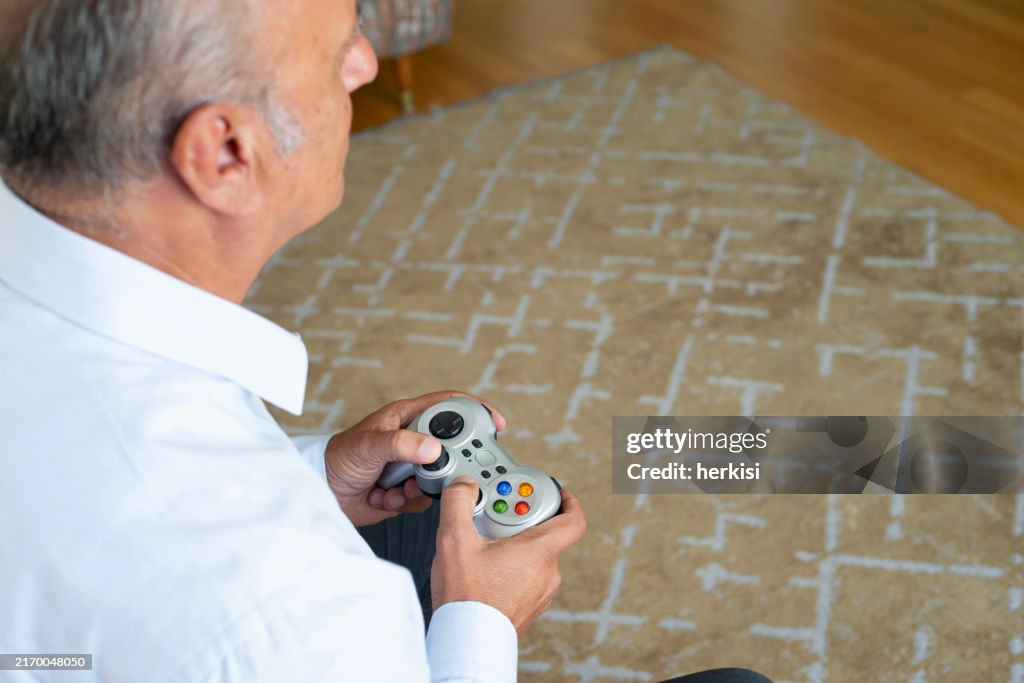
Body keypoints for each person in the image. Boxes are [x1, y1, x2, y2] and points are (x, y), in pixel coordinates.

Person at [0, 1, 770, 681]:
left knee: (419, 512)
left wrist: (312, 479)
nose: (366, 62)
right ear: (227, 153)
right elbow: (240, 594)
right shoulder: (288, 608)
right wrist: (482, 627)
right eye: (339, 46)